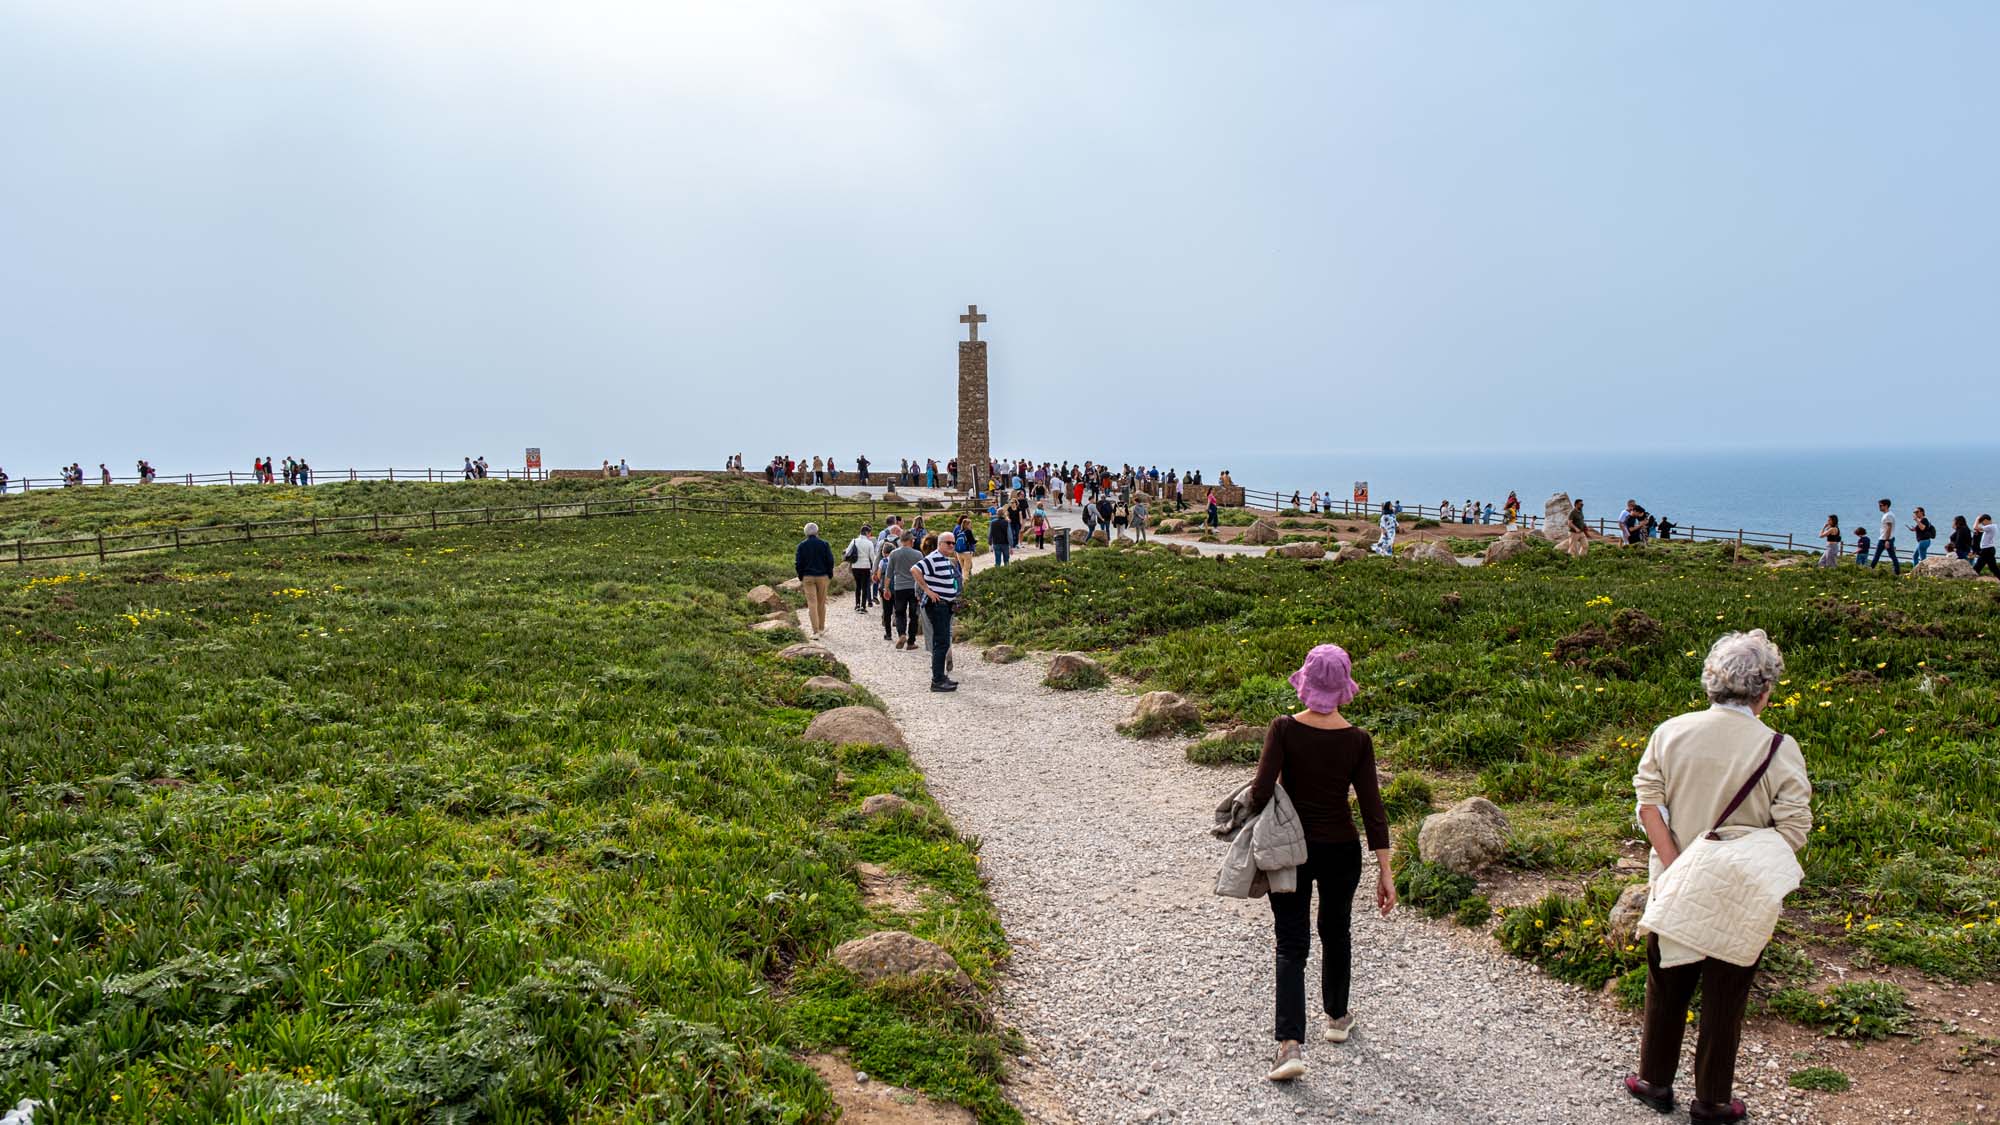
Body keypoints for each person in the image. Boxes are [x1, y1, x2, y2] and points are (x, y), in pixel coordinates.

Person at [1626, 630, 1812, 1124]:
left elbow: (1649, 805)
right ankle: (1712, 1102)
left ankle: (1653, 1082)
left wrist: (1677, 865)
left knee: (1666, 984)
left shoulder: (1671, 731)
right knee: (1726, 997)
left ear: (1712, 680)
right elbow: (1794, 828)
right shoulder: (1778, 747)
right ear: (1764, 689)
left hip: (1674, 877)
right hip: (1741, 893)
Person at [1247, 645, 1394, 1083]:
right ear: (1344, 687)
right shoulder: (1358, 740)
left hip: (1292, 851)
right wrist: (1385, 871)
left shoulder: (1283, 729)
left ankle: (1289, 1045)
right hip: (1341, 850)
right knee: (1336, 930)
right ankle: (1336, 1018)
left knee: (1291, 944)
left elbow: (1259, 793)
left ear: (1307, 683)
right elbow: (1373, 810)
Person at [912, 535, 962, 692]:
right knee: (941, 643)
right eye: (948, 543)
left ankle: (941, 676)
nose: (951, 545)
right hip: (937, 605)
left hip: (945, 605)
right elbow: (915, 569)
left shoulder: (945, 559)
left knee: (943, 642)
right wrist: (927, 590)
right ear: (940, 544)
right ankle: (937, 680)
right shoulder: (933, 557)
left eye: (953, 543)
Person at [794, 523, 835, 637]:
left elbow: (798, 563)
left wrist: (801, 575)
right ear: (817, 532)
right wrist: (829, 574)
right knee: (821, 603)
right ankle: (821, 628)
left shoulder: (801, 546)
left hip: (807, 577)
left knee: (812, 603)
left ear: (805, 533)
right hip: (822, 576)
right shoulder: (824, 544)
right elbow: (830, 561)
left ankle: (815, 631)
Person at [885, 529, 923, 646]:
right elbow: (922, 573)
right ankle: (911, 642)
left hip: (899, 587)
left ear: (901, 541)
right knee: (913, 615)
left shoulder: (894, 554)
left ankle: (902, 634)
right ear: (911, 541)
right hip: (914, 588)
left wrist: (886, 588)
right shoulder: (918, 554)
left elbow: (889, 573)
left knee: (900, 613)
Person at [846, 523, 879, 612]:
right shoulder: (869, 543)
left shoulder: (854, 541)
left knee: (858, 586)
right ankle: (863, 606)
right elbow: (872, 557)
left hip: (855, 566)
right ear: (867, 533)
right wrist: (875, 568)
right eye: (869, 533)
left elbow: (847, 552)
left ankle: (857, 604)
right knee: (865, 586)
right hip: (865, 566)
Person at [1871, 498, 1901, 576]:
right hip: (1886, 538)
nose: (1879, 507)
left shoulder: (1888, 515)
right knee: (1891, 556)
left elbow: (1889, 527)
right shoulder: (1887, 515)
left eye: (1881, 506)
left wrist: (1887, 540)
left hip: (1885, 539)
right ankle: (1897, 572)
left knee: (1877, 555)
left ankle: (1871, 569)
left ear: (1886, 506)